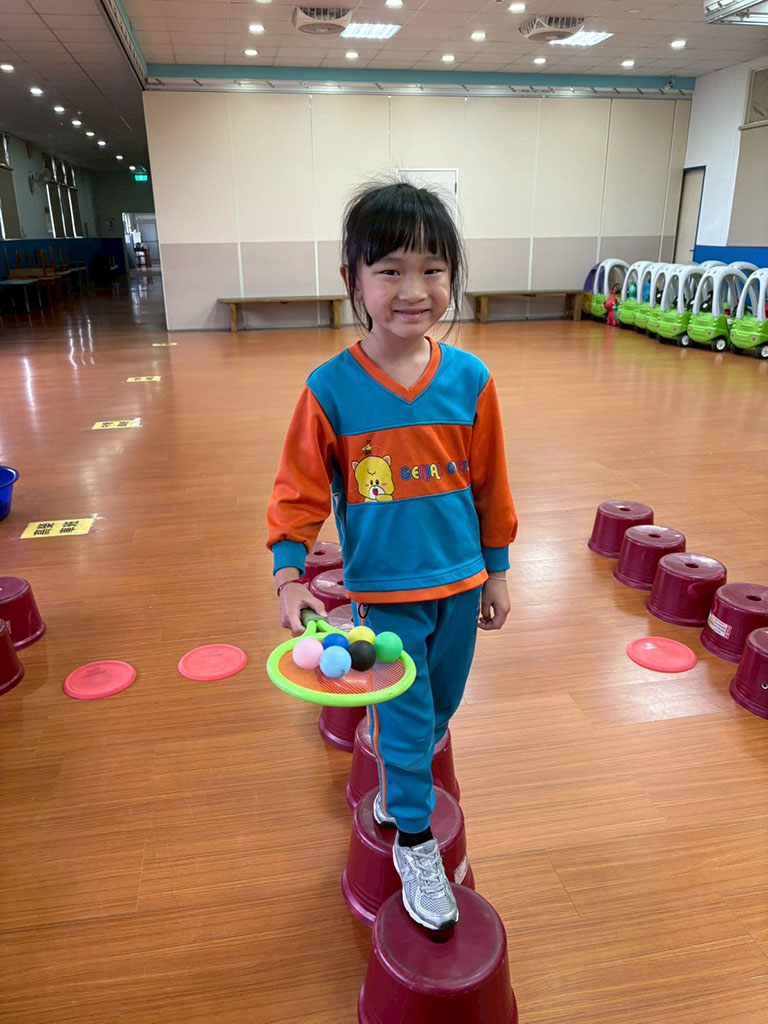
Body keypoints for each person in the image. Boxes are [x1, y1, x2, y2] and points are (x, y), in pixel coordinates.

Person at [266, 180, 518, 931]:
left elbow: (491, 484)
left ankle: (400, 783)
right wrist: (288, 574)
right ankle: (413, 839)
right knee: (408, 723)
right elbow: (298, 490)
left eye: (433, 269)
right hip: (384, 594)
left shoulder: (471, 381)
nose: (414, 290)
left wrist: (498, 570)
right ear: (353, 280)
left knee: (440, 710)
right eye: (391, 270)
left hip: (462, 584)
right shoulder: (330, 389)